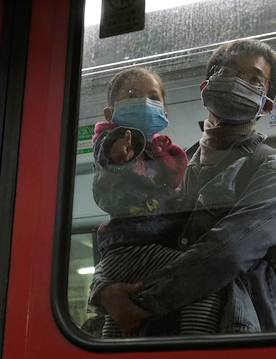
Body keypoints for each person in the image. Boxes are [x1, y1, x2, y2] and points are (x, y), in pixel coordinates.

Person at [92, 39, 276, 336]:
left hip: (231, 336)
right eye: (227, 72)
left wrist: (138, 302)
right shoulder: (172, 166)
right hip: (155, 336)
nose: (237, 82)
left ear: (266, 105)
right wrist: (103, 290)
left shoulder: (274, 172)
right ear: (206, 87)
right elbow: (129, 237)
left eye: (254, 79)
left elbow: (225, 253)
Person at [87, 67, 222, 337]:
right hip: (131, 248)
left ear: (165, 114)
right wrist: (116, 153)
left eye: (152, 96)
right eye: (131, 95)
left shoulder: (160, 154)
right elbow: (106, 155)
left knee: (125, 314)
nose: (143, 101)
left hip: (134, 253)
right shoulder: (115, 142)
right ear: (109, 115)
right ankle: (196, 344)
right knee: (204, 278)